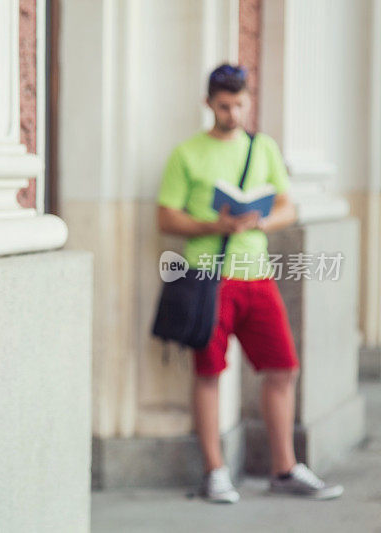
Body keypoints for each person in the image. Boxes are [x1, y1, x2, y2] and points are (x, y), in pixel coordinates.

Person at [156, 64, 343, 503]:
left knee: (283, 368)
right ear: (209, 104)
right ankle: (215, 472)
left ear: (248, 100)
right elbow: (165, 217)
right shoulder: (187, 154)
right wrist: (213, 223)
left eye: (240, 104)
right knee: (209, 373)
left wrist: (256, 220)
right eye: (224, 105)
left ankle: (284, 468)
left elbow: (288, 207)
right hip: (209, 278)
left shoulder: (263, 149)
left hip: (257, 277)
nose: (233, 113)